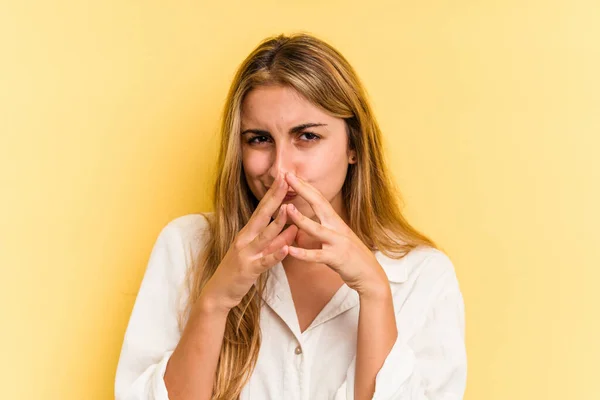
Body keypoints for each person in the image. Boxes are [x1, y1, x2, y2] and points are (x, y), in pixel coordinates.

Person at [114, 33, 467, 400]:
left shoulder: (424, 276)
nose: (280, 168)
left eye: (307, 137)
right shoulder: (186, 246)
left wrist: (375, 292)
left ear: (354, 147)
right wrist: (216, 300)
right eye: (259, 139)